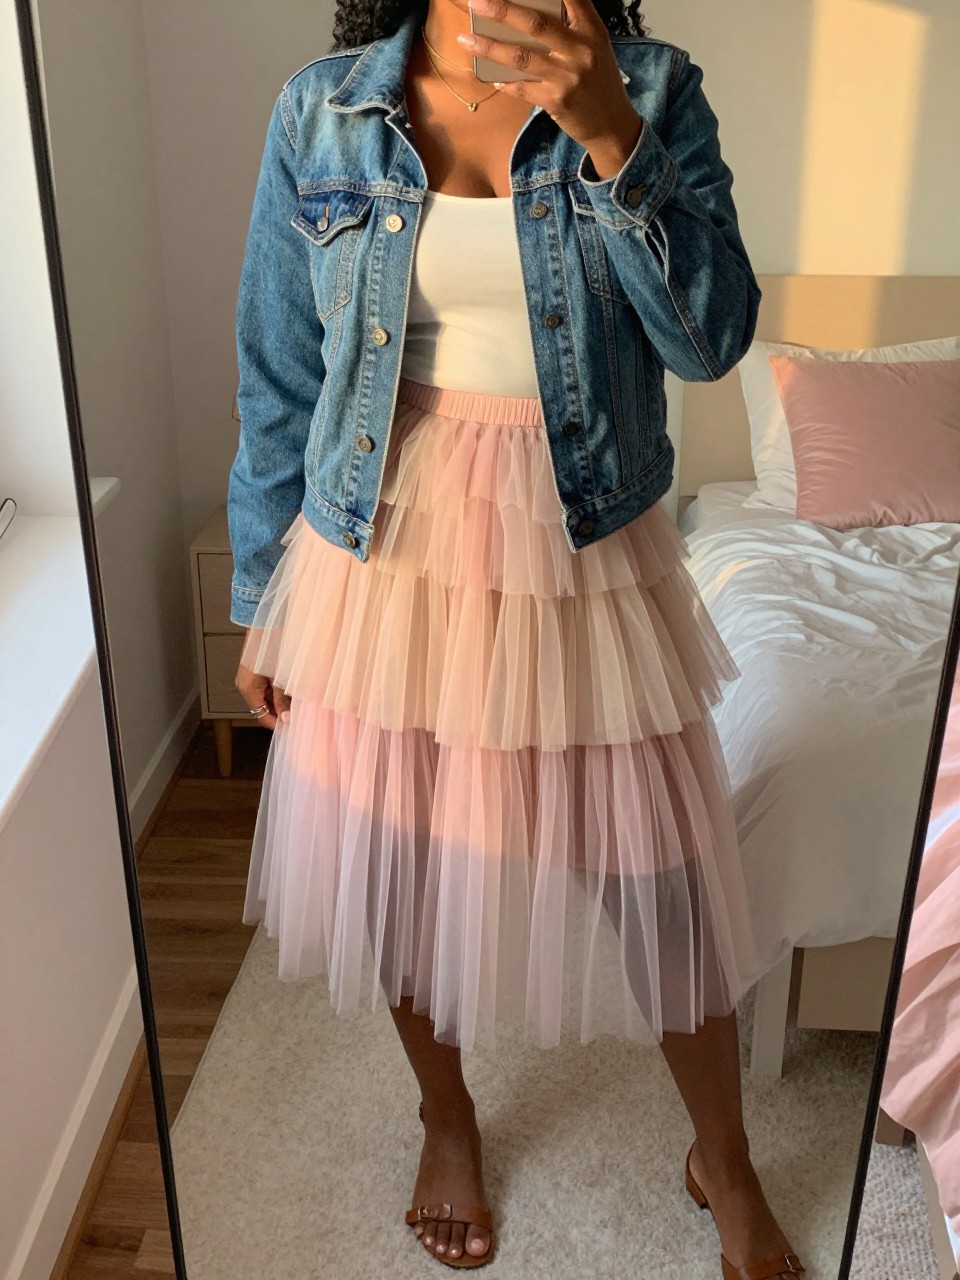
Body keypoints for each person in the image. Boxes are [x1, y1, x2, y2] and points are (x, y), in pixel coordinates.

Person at [227, 0, 805, 1275]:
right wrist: (264, 592)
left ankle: (728, 1155)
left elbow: (708, 342)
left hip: (579, 537)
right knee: (395, 868)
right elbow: (280, 372)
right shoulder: (321, 108)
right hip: (378, 545)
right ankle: (448, 1115)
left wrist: (612, 135)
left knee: (659, 886)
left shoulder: (649, 84)